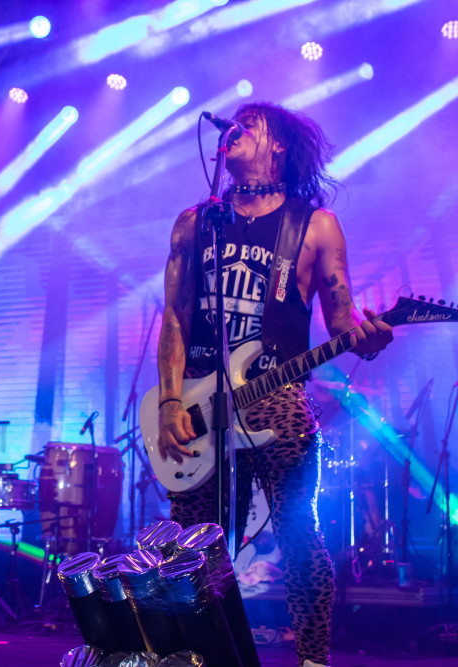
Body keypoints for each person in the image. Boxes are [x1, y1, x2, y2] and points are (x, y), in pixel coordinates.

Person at [156, 102, 393, 667]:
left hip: (277, 398)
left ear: (279, 145)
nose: (235, 127)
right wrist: (168, 401)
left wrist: (368, 337)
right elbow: (175, 318)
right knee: (193, 546)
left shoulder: (315, 225)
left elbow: (342, 320)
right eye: (233, 122)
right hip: (199, 403)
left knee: (298, 534)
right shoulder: (194, 222)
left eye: (251, 123)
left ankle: (312, 659)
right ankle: (202, 656)